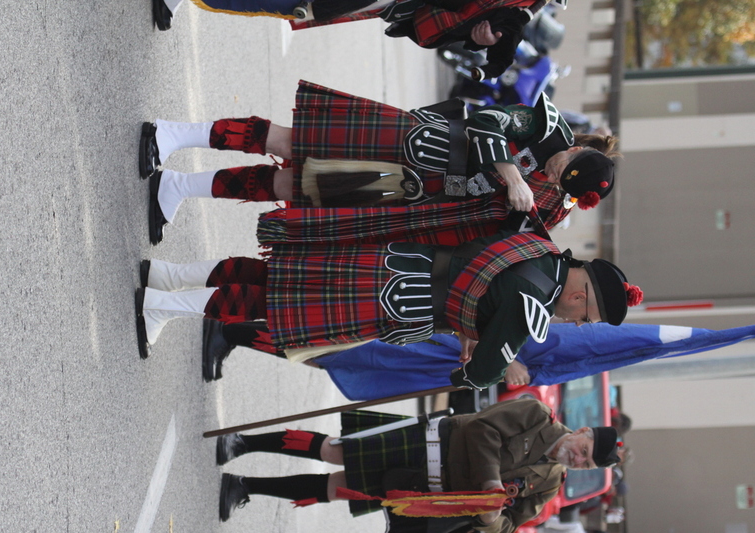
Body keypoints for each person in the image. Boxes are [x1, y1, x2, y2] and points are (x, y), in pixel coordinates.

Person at [134, 228, 641, 389]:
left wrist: (471, 330)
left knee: (277, 278)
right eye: (583, 318)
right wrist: (495, 366)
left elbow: (481, 279)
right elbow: (482, 373)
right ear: (579, 298)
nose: (573, 323)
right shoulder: (536, 307)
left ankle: (170, 276)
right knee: (279, 306)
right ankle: (164, 306)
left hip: (400, 260)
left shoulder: (540, 246)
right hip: (401, 300)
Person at [139, 80, 618, 245]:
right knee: (291, 141)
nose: (554, 178)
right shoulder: (544, 123)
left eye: (562, 181)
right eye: (563, 169)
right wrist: (512, 174)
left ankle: (180, 187)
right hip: (417, 143)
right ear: (574, 149)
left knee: (297, 187)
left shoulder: (555, 188)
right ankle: (175, 133)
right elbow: (487, 121)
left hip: (417, 187)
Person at [215, 398, 621, 533]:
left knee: (337, 489)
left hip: (424, 491)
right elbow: (483, 431)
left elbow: (511, 524)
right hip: (428, 443)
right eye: (584, 449)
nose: (578, 457)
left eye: (584, 463)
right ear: (582, 431)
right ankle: (243, 442)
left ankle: (244, 486)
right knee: (334, 451)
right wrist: (490, 484)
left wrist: (490, 518)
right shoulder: (536, 414)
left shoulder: (548, 485)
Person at [153, 0, 557, 84]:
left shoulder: (515, 16)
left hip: (395, 5)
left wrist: (475, 43)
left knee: (299, 5)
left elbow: (438, 33)